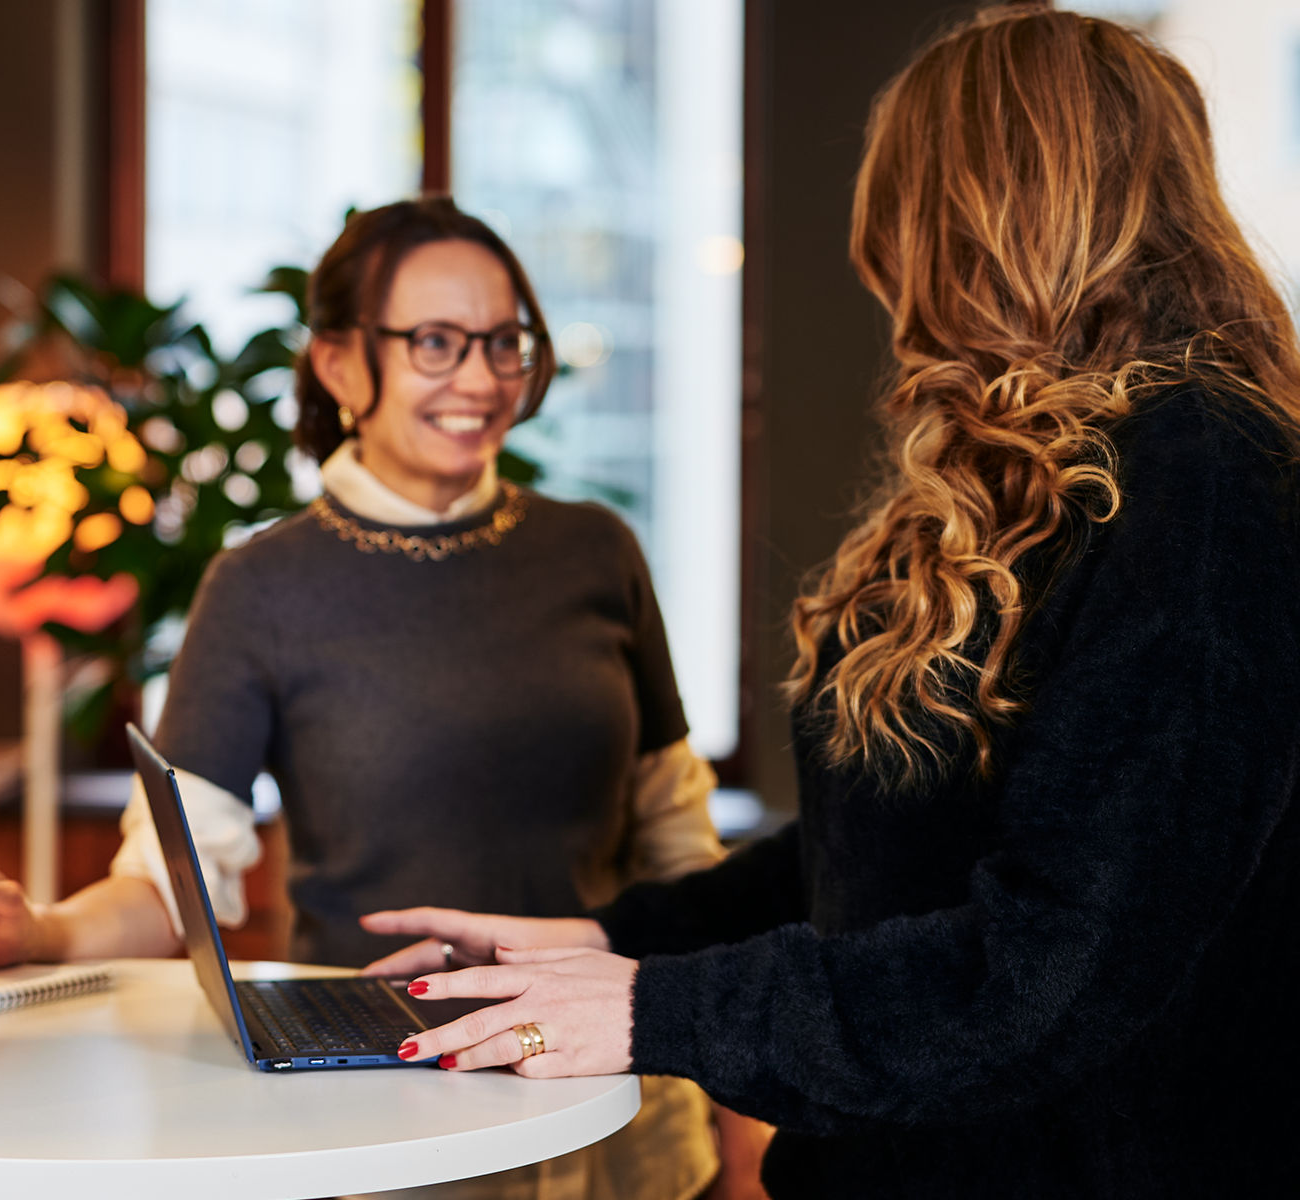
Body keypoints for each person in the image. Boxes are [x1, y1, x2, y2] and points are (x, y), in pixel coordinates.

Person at [364, 8, 1300, 1196]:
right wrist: (618, 943)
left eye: (903, 235)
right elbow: (895, 840)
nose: (895, 288)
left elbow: (1056, 964)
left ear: (980, 222)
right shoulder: (1040, 477)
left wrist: (663, 1010)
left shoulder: (1204, 483)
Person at [0, 198, 764, 1199]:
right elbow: (175, 884)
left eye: (503, 342)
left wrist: (739, 1097)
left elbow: (681, 849)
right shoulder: (264, 586)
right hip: (389, 1120)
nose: (480, 379)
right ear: (340, 362)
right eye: (437, 343)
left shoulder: (595, 551)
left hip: (625, 1117)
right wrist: (38, 933)